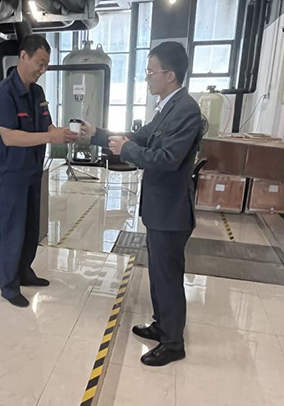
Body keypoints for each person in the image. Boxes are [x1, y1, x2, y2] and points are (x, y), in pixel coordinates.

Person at [82, 42, 203, 366]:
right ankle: (162, 326)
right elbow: (140, 138)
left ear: (170, 75)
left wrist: (126, 150)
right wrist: (97, 134)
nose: (147, 77)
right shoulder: (167, 108)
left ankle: (173, 343)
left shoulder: (186, 110)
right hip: (159, 209)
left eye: (151, 72)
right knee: (159, 274)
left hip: (171, 211)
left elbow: (167, 158)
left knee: (168, 277)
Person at [0, 34, 79, 308]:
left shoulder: (37, 93)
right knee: (13, 231)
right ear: (23, 56)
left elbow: (46, 126)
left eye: (46, 65)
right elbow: (9, 137)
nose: (42, 70)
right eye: (39, 63)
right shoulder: (4, 93)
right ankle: (9, 286)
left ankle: (24, 272)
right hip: (10, 176)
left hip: (31, 172)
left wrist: (60, 133)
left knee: (31, 230)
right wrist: (50, 137)